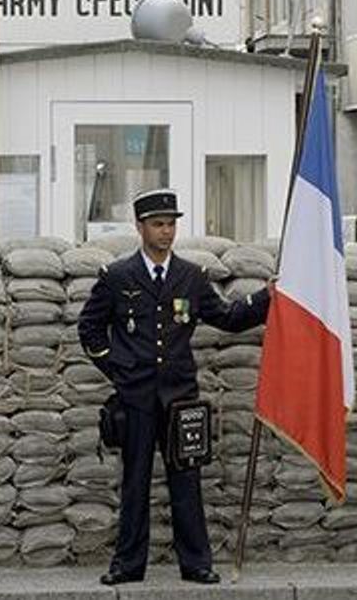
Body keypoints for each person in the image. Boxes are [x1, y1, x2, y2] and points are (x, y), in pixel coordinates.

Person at [78, 188, 271, 586]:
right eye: (158, 224)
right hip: (135, 398)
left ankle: (196, 563)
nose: (166, 232)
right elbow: (89, 328)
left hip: (180, 397)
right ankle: (128, 565)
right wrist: (119, 370)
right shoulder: (117, 277)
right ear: (140, 227)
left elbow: (228, 317)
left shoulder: (190, 276)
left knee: (186, 482)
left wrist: (266, 298)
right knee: (135, 482)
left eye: (171, 224)